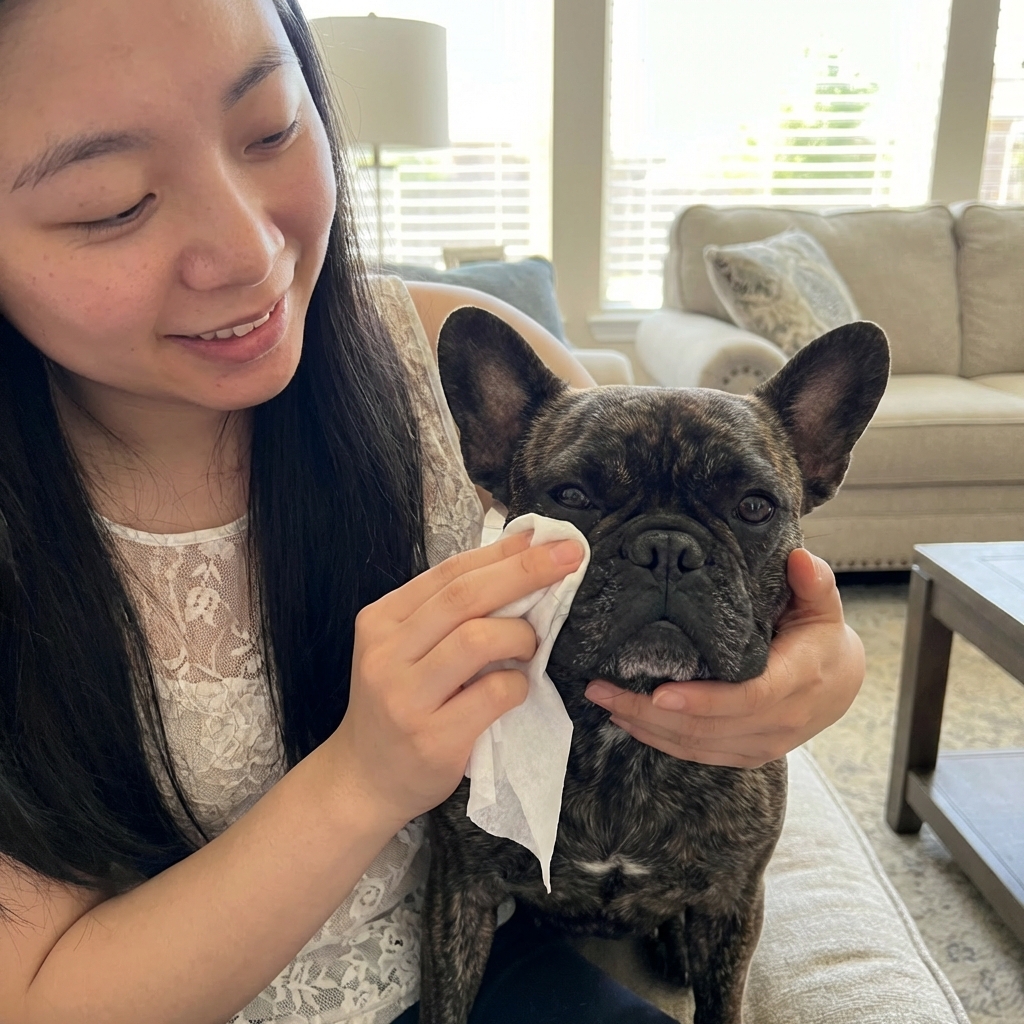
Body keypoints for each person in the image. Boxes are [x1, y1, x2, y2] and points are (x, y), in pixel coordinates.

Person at [0, 1, 866, 1022]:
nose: (243, 249)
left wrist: (821, 669)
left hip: (502, 961)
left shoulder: (455, 349)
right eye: (112, 202)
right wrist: (364, 777)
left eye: (271, 129)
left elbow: (676, 534)